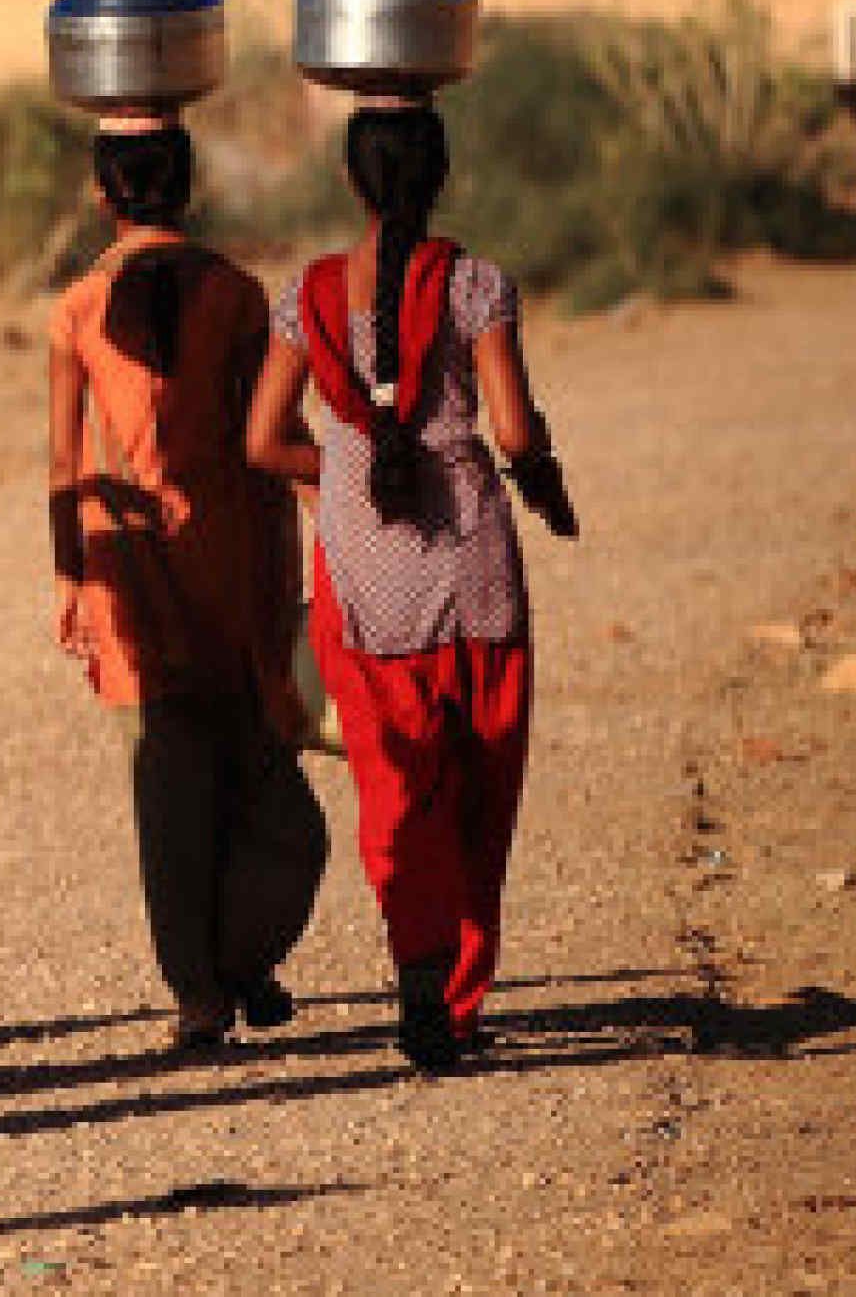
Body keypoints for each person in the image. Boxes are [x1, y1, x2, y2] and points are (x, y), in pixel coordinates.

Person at [247, 101, 577, 1074]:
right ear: (440, 176)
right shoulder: (476, 286)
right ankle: (459, 999)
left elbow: (260, 440)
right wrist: (545, 480)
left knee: (395, 785)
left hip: (362, 580)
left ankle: (416, 971)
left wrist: (342, 473)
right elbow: (512, 435)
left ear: (351, 181)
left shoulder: (302, 297)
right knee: (479, 784)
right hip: (471, 565)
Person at [45, 115, 327, 1053]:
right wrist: (285, 574)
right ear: (188, 187)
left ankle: (205, 990)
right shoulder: (241, 296)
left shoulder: (78, 309)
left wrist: (68, 579)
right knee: (268, 790)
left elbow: (61, 463)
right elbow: (265, 453)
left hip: (126, 571)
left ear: (102, 195)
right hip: (232, 559)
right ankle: (242, 960)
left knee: (169, 790)